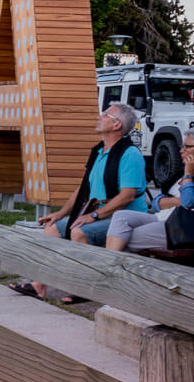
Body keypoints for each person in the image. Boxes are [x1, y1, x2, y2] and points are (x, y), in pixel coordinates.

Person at [10, 102, 147, 300]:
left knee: (79, 231)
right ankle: (38, 284)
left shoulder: (130, 154)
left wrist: (94, 215)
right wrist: (59, 214)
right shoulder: (100, 151)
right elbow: (83, 190)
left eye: (105, 115)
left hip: (124, 218)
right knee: (53, 228)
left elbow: (127, 196)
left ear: (117, 125)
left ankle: (85, 289)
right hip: (99, 214)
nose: (100, 117)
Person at [105, 131, 194, 252]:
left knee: (125, 237)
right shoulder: (180, 174)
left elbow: (187, 203)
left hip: (181, 227)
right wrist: (176, 201)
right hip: (163, 217)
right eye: (182, 146)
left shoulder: (188, 173)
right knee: (120, 216)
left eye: (187, 147)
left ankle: (109, 265)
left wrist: (189, 174)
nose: (181, 151)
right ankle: (111, 263)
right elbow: (156, 202)